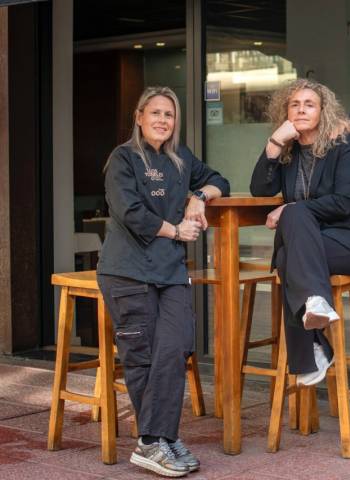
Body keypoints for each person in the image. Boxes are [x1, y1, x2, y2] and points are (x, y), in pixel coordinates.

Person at [97, 86, 230, 477]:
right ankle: (156, 442)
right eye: (155, 113)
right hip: (127, 271)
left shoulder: (180, 157)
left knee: (176, 348)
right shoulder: (123, 158)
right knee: (143, 356)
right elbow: (130, 212)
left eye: (169, 115)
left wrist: (199, 197)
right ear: (139, 117)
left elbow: (219, 177)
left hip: (170, 271)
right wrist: (176, 231)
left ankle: (158, 439)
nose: (162, 121)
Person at [250, 79, 350, 387]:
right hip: (310, 245)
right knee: (285, 254)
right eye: (294, 104)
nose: (301, 109)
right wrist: (274, 143)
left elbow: (346, 202)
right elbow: (261, 189)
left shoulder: (344, 143)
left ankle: (315, 346)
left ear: (323, 111)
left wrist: (292, 210)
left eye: (309, 104)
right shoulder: (289, 151)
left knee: (287, 249)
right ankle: (315, 311)